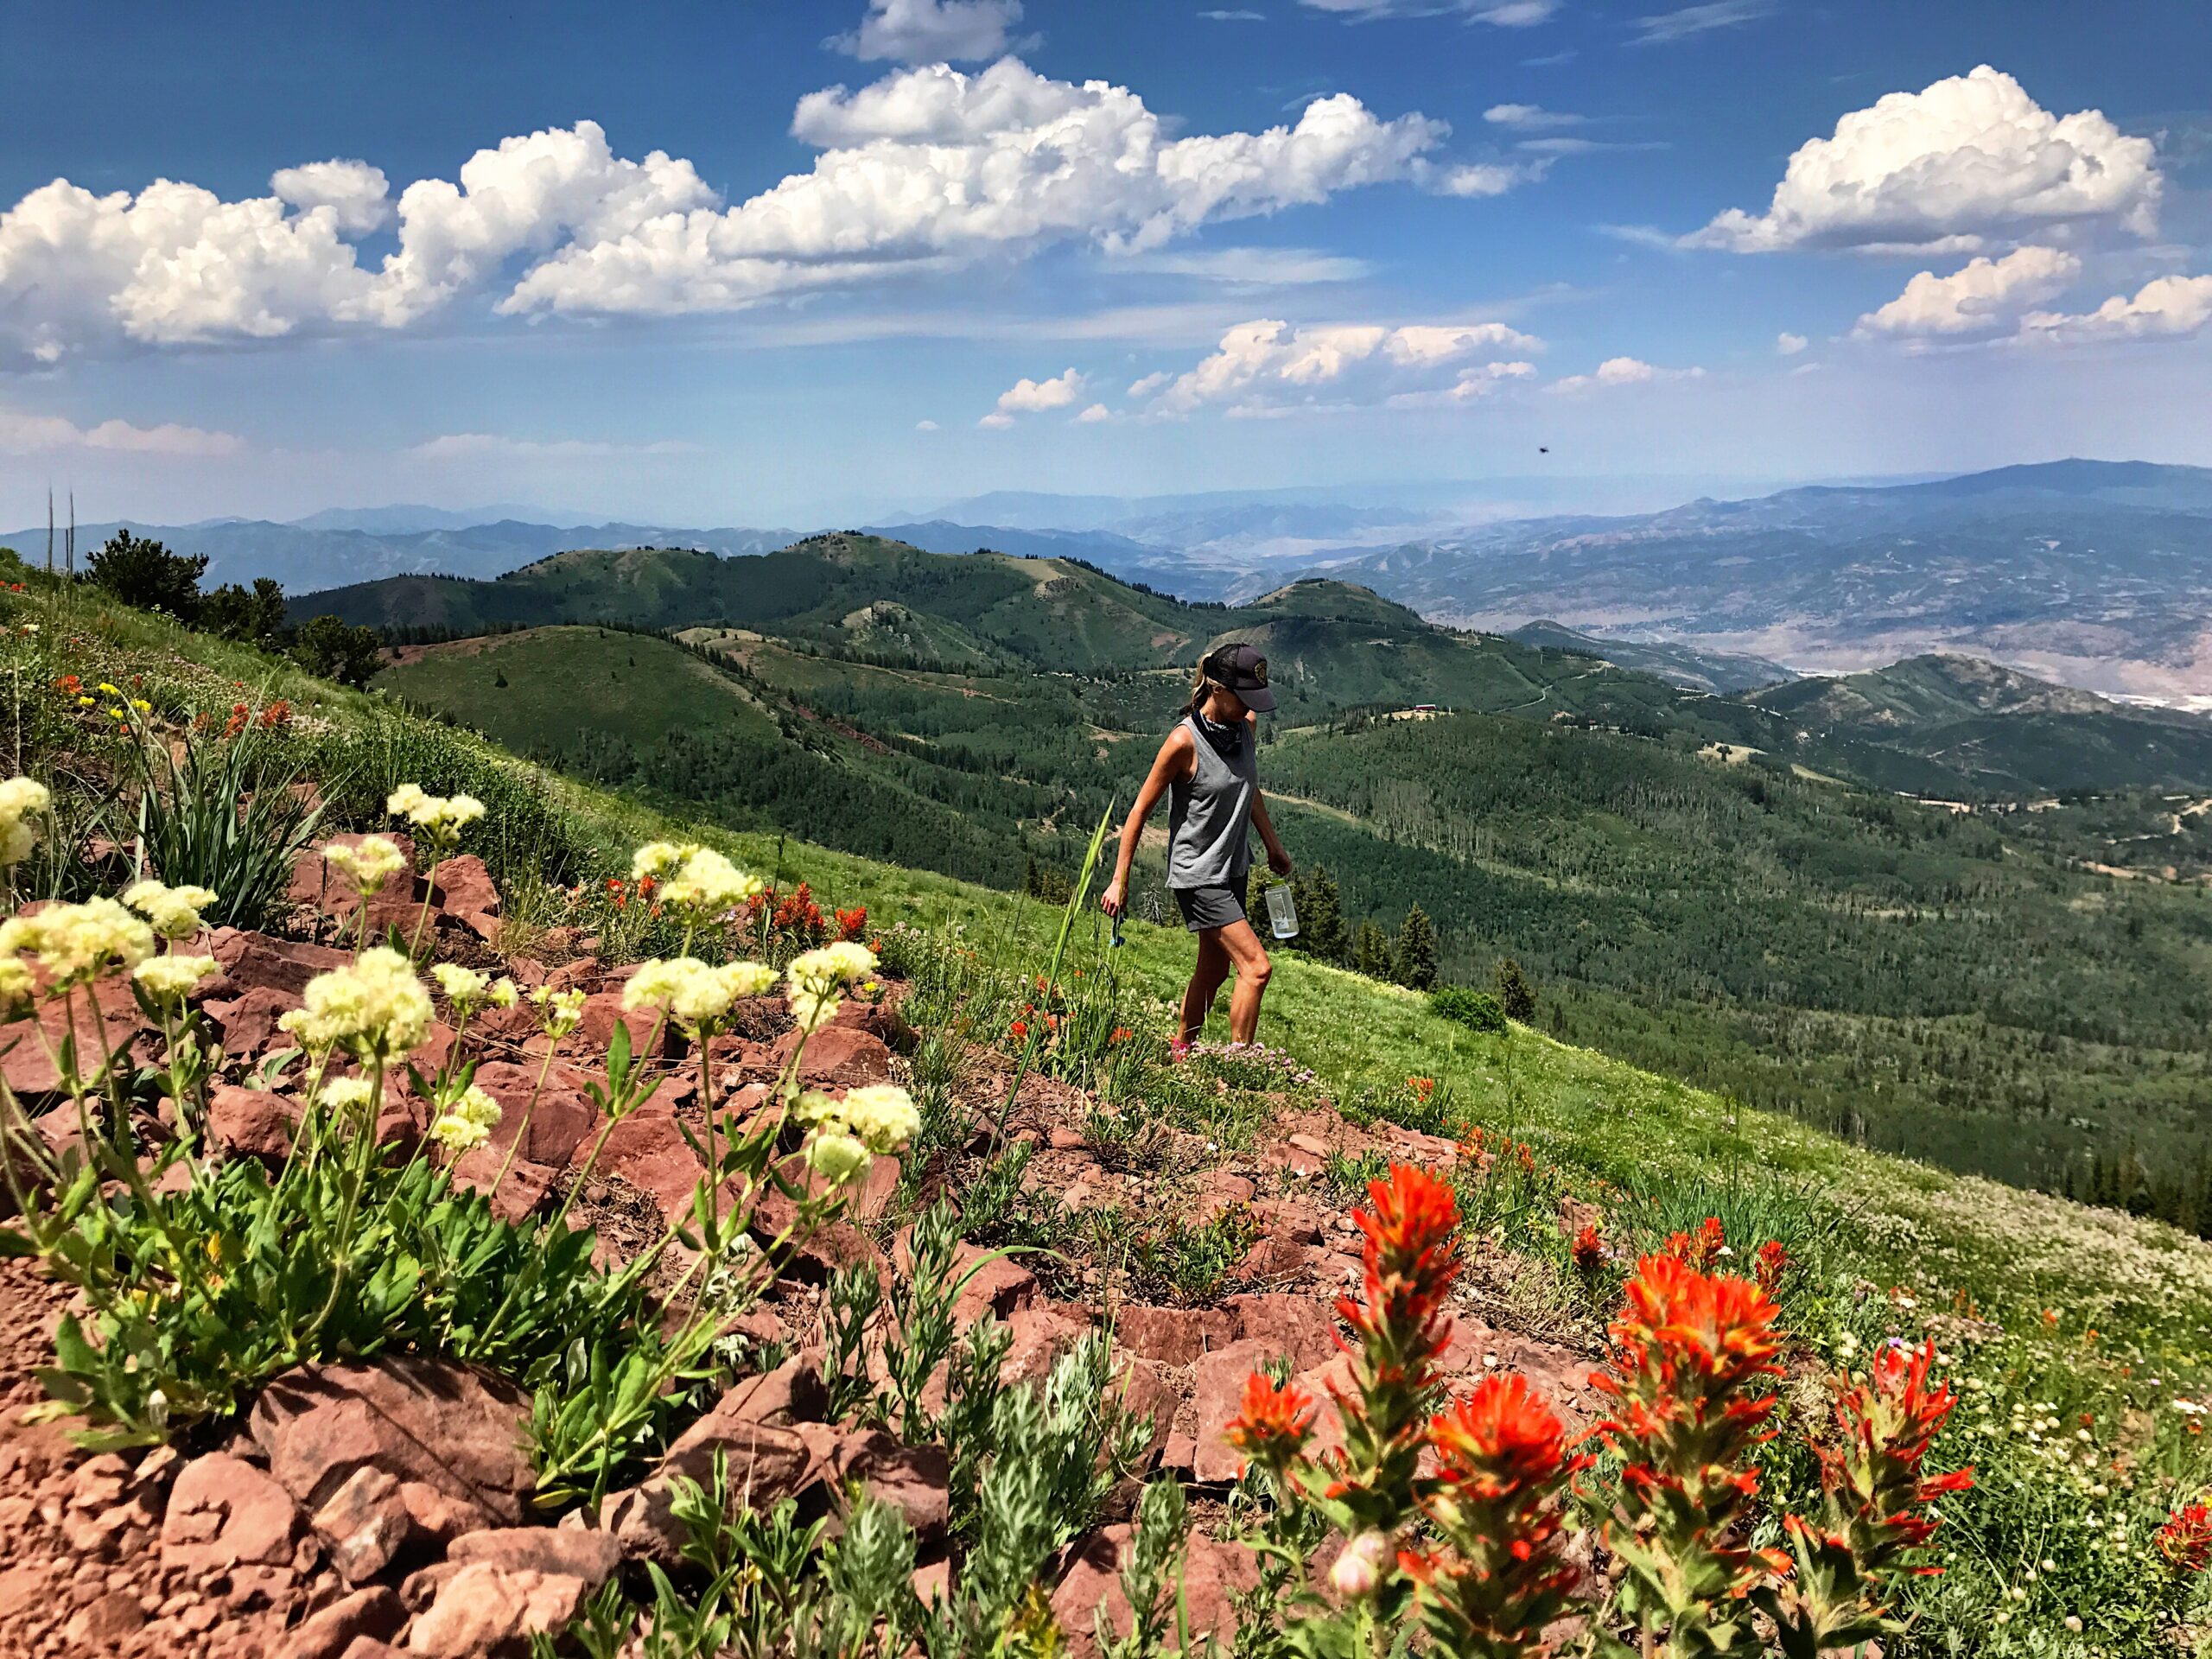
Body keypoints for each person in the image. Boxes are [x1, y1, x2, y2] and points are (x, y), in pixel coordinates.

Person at [1100, 641, 1293, 1052]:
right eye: (1244, 698)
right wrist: (1119, 880)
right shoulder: (1183, 743)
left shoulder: (1245, 725)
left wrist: (1273, 846)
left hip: (1233, 867)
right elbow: (1138, 811)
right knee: (1256, 969)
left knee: (1214, 969)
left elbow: (1249, 788)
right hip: (1199, 874)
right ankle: (1238, 1065)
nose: (1249, 707)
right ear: (1218, 688)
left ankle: (1181, 1052)